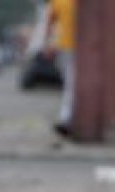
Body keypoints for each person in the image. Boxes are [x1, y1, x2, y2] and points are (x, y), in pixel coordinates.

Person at [46, 0, 76, 136]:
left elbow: (49, 24)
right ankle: (67, 119)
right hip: (69, 47)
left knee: (70, 84)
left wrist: (48, 43)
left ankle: (67, 118)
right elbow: (50, 23)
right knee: (71, 84)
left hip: (66, 46)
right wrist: (48, 43)